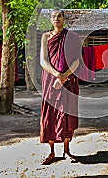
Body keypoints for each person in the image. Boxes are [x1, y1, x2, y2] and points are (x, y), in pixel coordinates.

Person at [39, 9, 81, 165]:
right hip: (50, 80)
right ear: (50, 20)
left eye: (59, 16)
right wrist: (57, 74)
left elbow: (77, 60)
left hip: (68, 79)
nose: (56, 19)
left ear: (64, 18)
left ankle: (66, 150)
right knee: (50, 114)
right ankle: (51, 152)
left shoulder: (73, 37)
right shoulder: (45, 37)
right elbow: (43, 61)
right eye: (53, 16)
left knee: (67, 113)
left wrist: (64, 76)